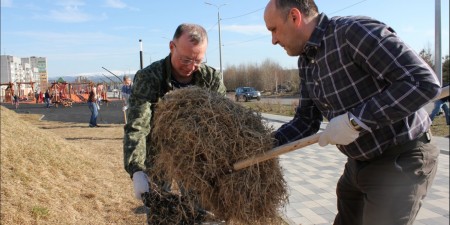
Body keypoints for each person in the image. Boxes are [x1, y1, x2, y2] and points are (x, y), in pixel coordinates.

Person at [263, 1, 441, 225]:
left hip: (400, 159)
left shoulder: (353, 32)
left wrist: (356, 122)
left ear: (295, 17)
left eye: (273, 29)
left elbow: (422, 82)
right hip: (358, 163)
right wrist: (261, 145)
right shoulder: (307, 61)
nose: (273, 40)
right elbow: (306, 121)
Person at [123, 23, 226, 223]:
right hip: (159, 152)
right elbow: (138, 125)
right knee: (160, 211)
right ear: (172, 46)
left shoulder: (210, 79)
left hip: (196, 156)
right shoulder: (150, 77)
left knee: (200, 211)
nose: (191, 66)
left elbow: (221, 125)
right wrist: (136, 168)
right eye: (185, 59)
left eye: (197, 60)